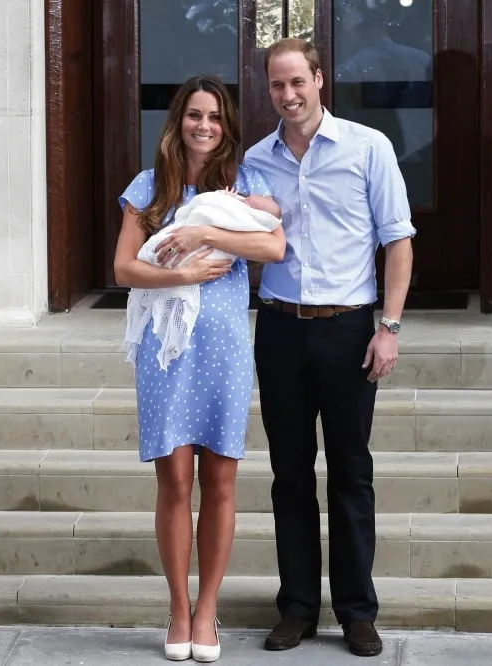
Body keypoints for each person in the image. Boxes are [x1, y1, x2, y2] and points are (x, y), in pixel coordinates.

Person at [244, 38, 415, 658]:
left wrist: (388, 327)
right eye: (276, 86)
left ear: (319, 80)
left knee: (350, 472)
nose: (288, 95)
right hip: (281, 329)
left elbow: (398, 240)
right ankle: (296, 607)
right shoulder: (255, 161)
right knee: (289, 475)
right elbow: (244, 238)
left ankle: (356, 610)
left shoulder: (368, 148)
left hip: (348, 329)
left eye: (298, 82)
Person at [113, 74, 284, 663]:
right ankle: (178, 608)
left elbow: (274, 247)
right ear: (178, 122)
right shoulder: (148, 186)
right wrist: (181, 275)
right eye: (193, 115)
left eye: (214, 116)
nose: (204, 125)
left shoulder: (247, 183)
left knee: (219, 480)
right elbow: (124, 270)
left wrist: (207, 232)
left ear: (227, 125)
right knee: (175, 481)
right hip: (166, 349)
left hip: (226, 347)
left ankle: (208, 609)